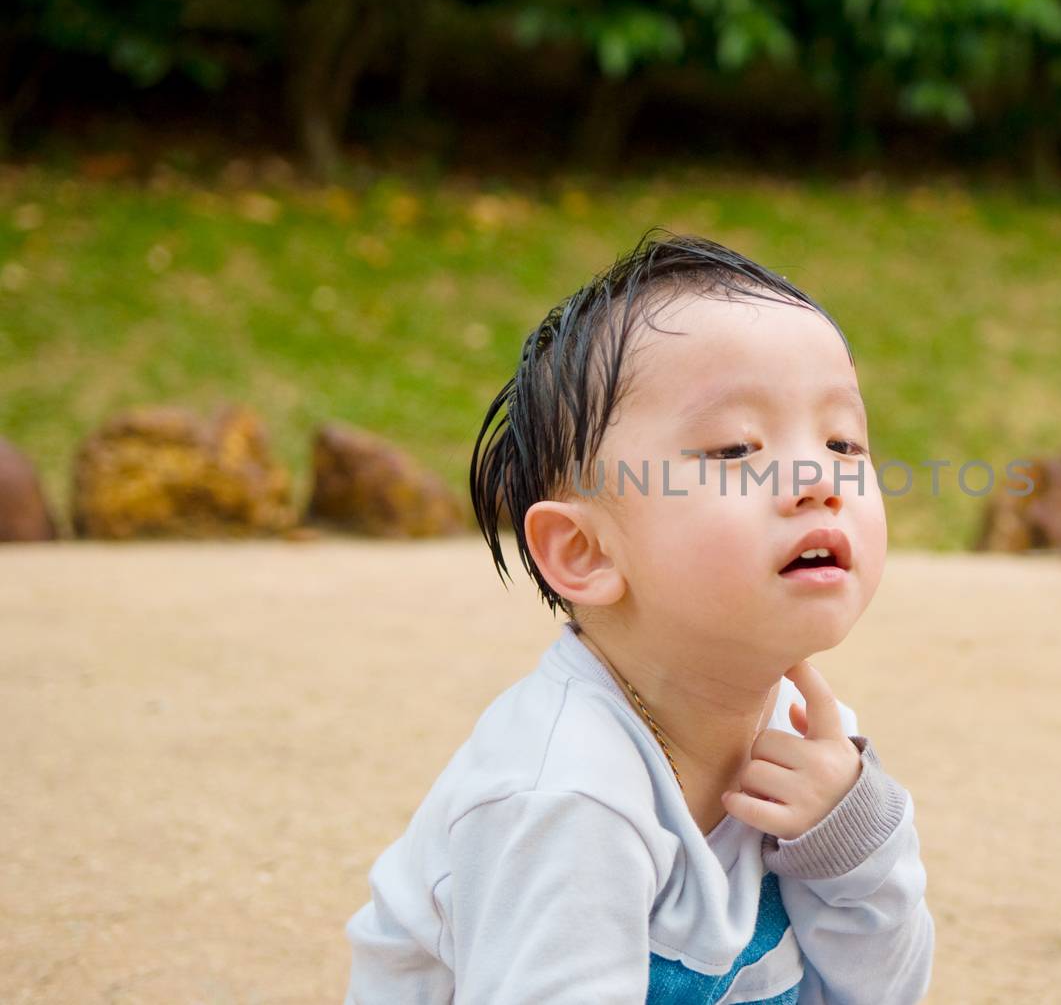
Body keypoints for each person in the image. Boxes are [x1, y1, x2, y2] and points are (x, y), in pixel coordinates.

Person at [343, 230, 935, 1003]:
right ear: (585, 550)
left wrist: (855, 848)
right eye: (734, 448)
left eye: (842, 440)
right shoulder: (563, 793)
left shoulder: (809, 743)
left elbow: (882, 995)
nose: (816, 479)